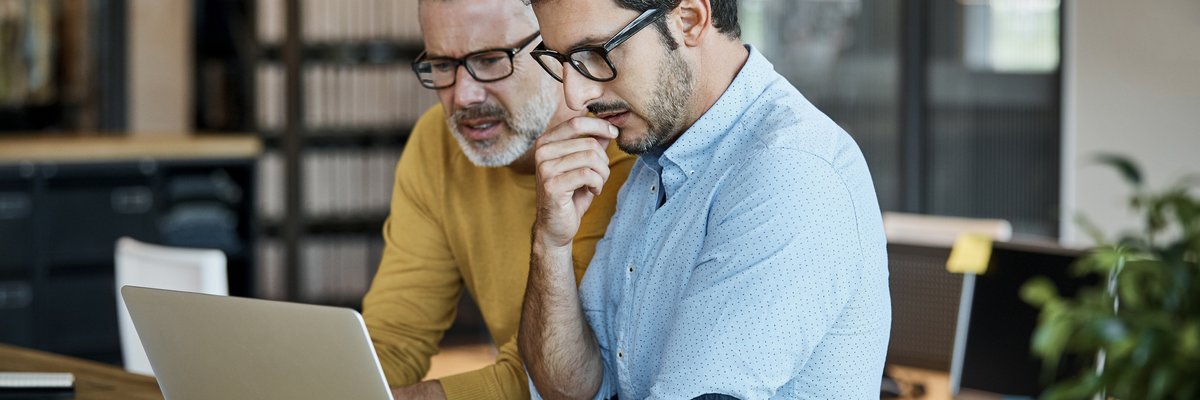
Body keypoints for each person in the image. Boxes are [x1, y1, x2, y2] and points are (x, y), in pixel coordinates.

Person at [518, 0, 891, 398]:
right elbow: (574, 389)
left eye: (596, 53)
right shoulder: (657, 159)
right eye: (562, 61)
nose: (576, 95)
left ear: (691, 20)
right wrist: (550, 244)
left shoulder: (789, 171)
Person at [361, 0, 634, 398]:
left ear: (555, 47)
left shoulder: (623, 152)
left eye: (490, 60)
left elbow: (552, 379)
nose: (464, 96)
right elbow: (394, 339)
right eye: (441, 65)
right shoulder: (436, 142)